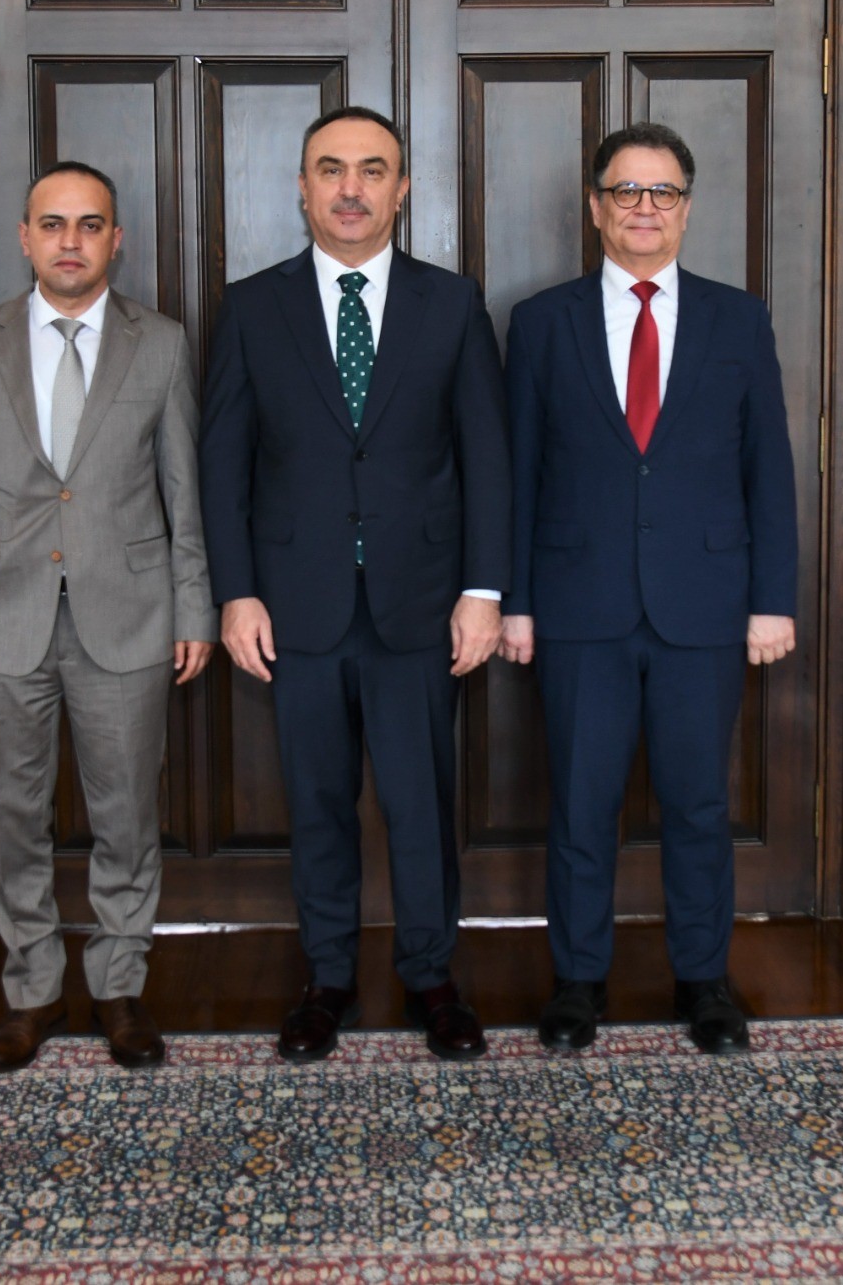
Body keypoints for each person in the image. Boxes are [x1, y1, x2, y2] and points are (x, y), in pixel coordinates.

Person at [199, 105, 509, 1063]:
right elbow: (223, 463)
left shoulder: (451, 302)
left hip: (423, 605)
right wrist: (236, 591)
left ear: (402, 188)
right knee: (318, 802)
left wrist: (485, 589)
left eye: (373, 170)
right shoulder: (252, 307)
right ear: (301, 186)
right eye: (330, 169)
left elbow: (487, 457)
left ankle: (431, 977)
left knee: (421, 804)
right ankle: (327, 977)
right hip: (296, 607)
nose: (350, 188)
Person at [499, 122, 800, 1055]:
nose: (644, 207)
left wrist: (773, 599)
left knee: (699, 805)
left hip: (703, 608)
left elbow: (768, 467)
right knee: (580, 805)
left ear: (687, 209)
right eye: (625, 191)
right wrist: (515, 601)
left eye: (662, 191)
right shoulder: (541, 322)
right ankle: (578, 981)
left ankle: (704, 980)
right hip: (577, 606)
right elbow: (518, 473)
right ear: (595, 208)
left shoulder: (738, 319)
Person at [0, 160, 214, 1073]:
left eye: (89, 225)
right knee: (13, 817)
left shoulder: (161, 343)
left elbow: (183, 491)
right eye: (53, 224)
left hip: (129, 614)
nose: (70, 241)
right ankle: (32, 990)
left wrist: (194, 605)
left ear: (116, 239)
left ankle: (119, 983)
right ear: (25, 237)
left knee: (127, 813)